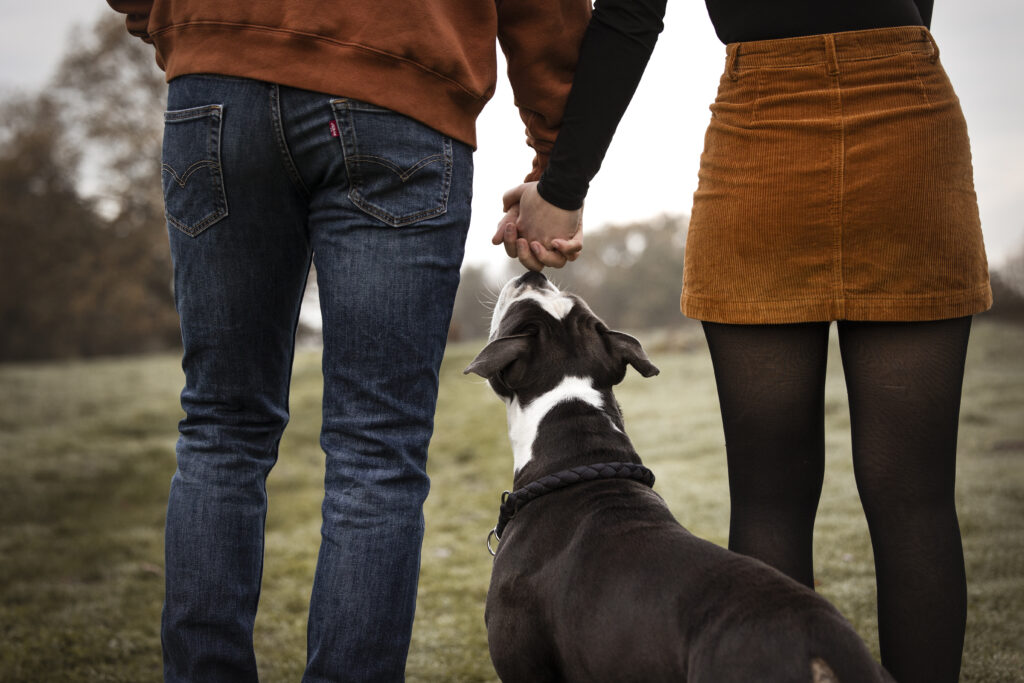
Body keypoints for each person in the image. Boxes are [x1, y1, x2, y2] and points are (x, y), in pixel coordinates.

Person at [499, 2, 992, 682]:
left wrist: (562, 183)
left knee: (770, 495)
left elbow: (630, 14)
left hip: (764, 122)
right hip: (906, 103)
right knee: (914, 496)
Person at [106, 1, 591, 680]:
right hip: (401, 82)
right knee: (377, 447)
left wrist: (189, 26)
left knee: (221, 427)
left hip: (219, 76)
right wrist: (557, 159)